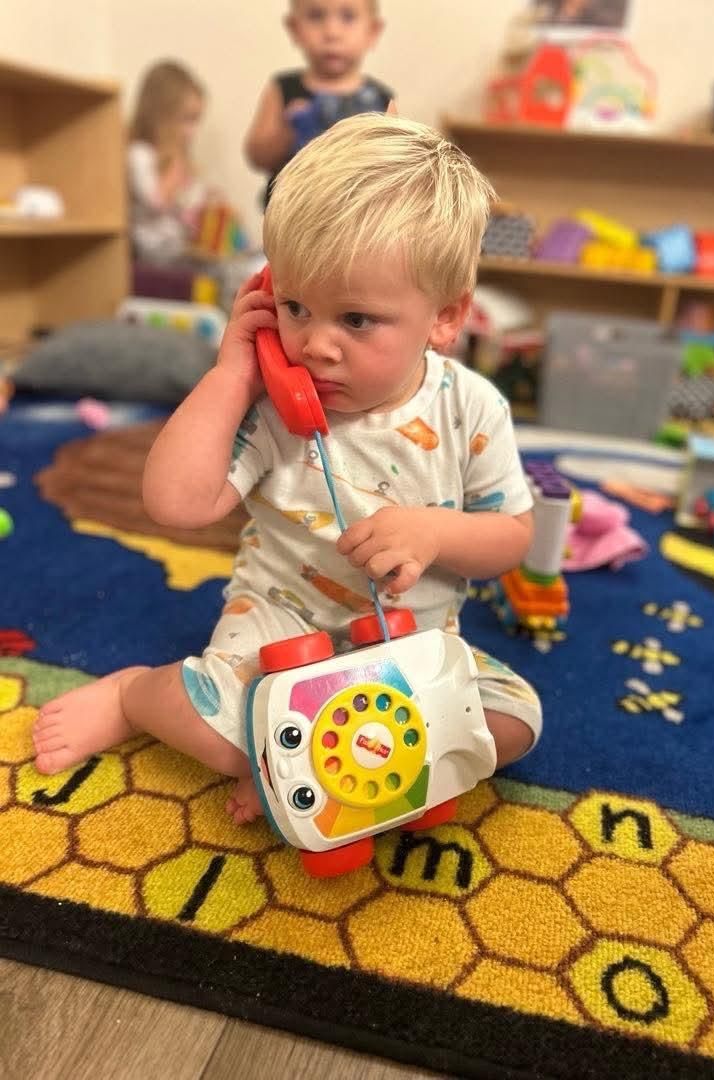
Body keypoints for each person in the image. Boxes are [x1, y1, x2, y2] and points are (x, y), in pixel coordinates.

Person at [33, 114, 542, 827]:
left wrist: (433, 532)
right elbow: (177, 504)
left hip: (407, 643)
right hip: (280, 623)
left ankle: (294, 765)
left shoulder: (471, 406)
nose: (316, 345)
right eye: (296, 308)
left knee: (514, 723)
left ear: (445, 317)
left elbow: (513, 536)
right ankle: (132, 696)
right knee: (225, 739)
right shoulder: (276, 405)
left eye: (357, 320)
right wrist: (232, 377)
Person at [244, 0, 395, 206]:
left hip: (356, 216)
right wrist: (288, 129)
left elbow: (394, 163)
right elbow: (257, 156)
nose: (332, 32)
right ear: (294, 28)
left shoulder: (380, 97)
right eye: (316, 16)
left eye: (348, 16)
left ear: (373, 31)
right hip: (290, 213)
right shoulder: (284, 88)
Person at [128, 60, 208, 262]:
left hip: (179, 252)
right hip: (149, 257)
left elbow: (188, 207)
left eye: (196, 121)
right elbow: (155, 201)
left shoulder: (180, 159)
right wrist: (174, 170)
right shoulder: (140, 155)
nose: (192, 132)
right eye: (187, 119)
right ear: (161, 115)